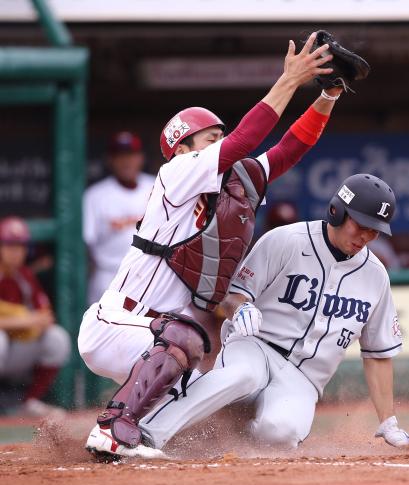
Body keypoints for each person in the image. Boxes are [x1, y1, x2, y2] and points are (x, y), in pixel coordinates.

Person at [81, 31, 342, 459]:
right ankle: (111, 430)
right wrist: (291, 80)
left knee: (221, 394)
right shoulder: (176, 174)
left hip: (158, 338)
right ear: (182, 148)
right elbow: (245, 140)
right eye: (210, 139)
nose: (221, 146)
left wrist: (328, 95)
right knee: (188, 338)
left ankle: (140, 441)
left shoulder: (226, 183)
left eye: (220, 137)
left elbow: (287, 151)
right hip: (117, 325)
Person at [134, 174, 409, 454]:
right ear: (337, 211)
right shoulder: (287, 240)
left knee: (280, 433)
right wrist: (240, 307)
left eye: (375, 230)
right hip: (255, 347)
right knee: (241, 376)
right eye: (361, 225)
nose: (366, 236)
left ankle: (223, 438)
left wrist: (388, 421)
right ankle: (143, 434)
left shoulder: (376, 276)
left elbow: (378, 354)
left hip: (304, 378)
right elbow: (233, 296)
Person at [0, 216, 71, 418]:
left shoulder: (25, 275)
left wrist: (29, 322)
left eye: (20, 246)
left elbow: (45, 316)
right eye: (9, 245)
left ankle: (28, 402)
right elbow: (32, 318)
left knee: (57, 338)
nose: (16, 252)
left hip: (17, 350)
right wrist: (23, 319)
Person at [83, 131, 156, 305]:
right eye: (120, 156)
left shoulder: (157, 186)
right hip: (109, 276)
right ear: (110, 160)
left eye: (131, 155)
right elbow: (86, 244)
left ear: (141, 158)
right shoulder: (95, 195)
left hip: (150, 275)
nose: (126, 161)